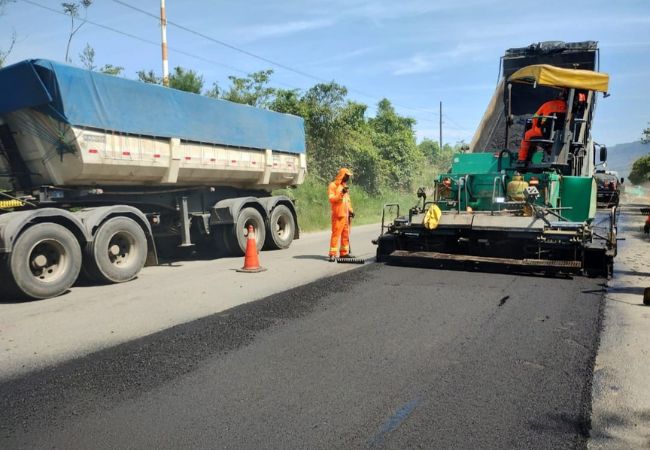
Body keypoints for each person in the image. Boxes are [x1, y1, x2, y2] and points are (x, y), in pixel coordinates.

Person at [518, 91, 568, 162]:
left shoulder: (547, 104)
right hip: (561, 134)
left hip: (545, 132)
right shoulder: (568, 107)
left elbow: (535, 118)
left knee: (527, 135)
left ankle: (522, 159)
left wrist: (534, 127)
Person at [328, 168, 355, 261]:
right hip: (338, 215)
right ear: (342, 175)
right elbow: (332, 199)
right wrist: (341, 194)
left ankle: (344, 253)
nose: (347, 178)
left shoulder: (345, 187)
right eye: (346, 176)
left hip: (346, 215)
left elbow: (347, 202)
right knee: (336, 235)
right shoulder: (333, 185)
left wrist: (351, 211)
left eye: (348, 176)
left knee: (346, 235)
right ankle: (332, 254)